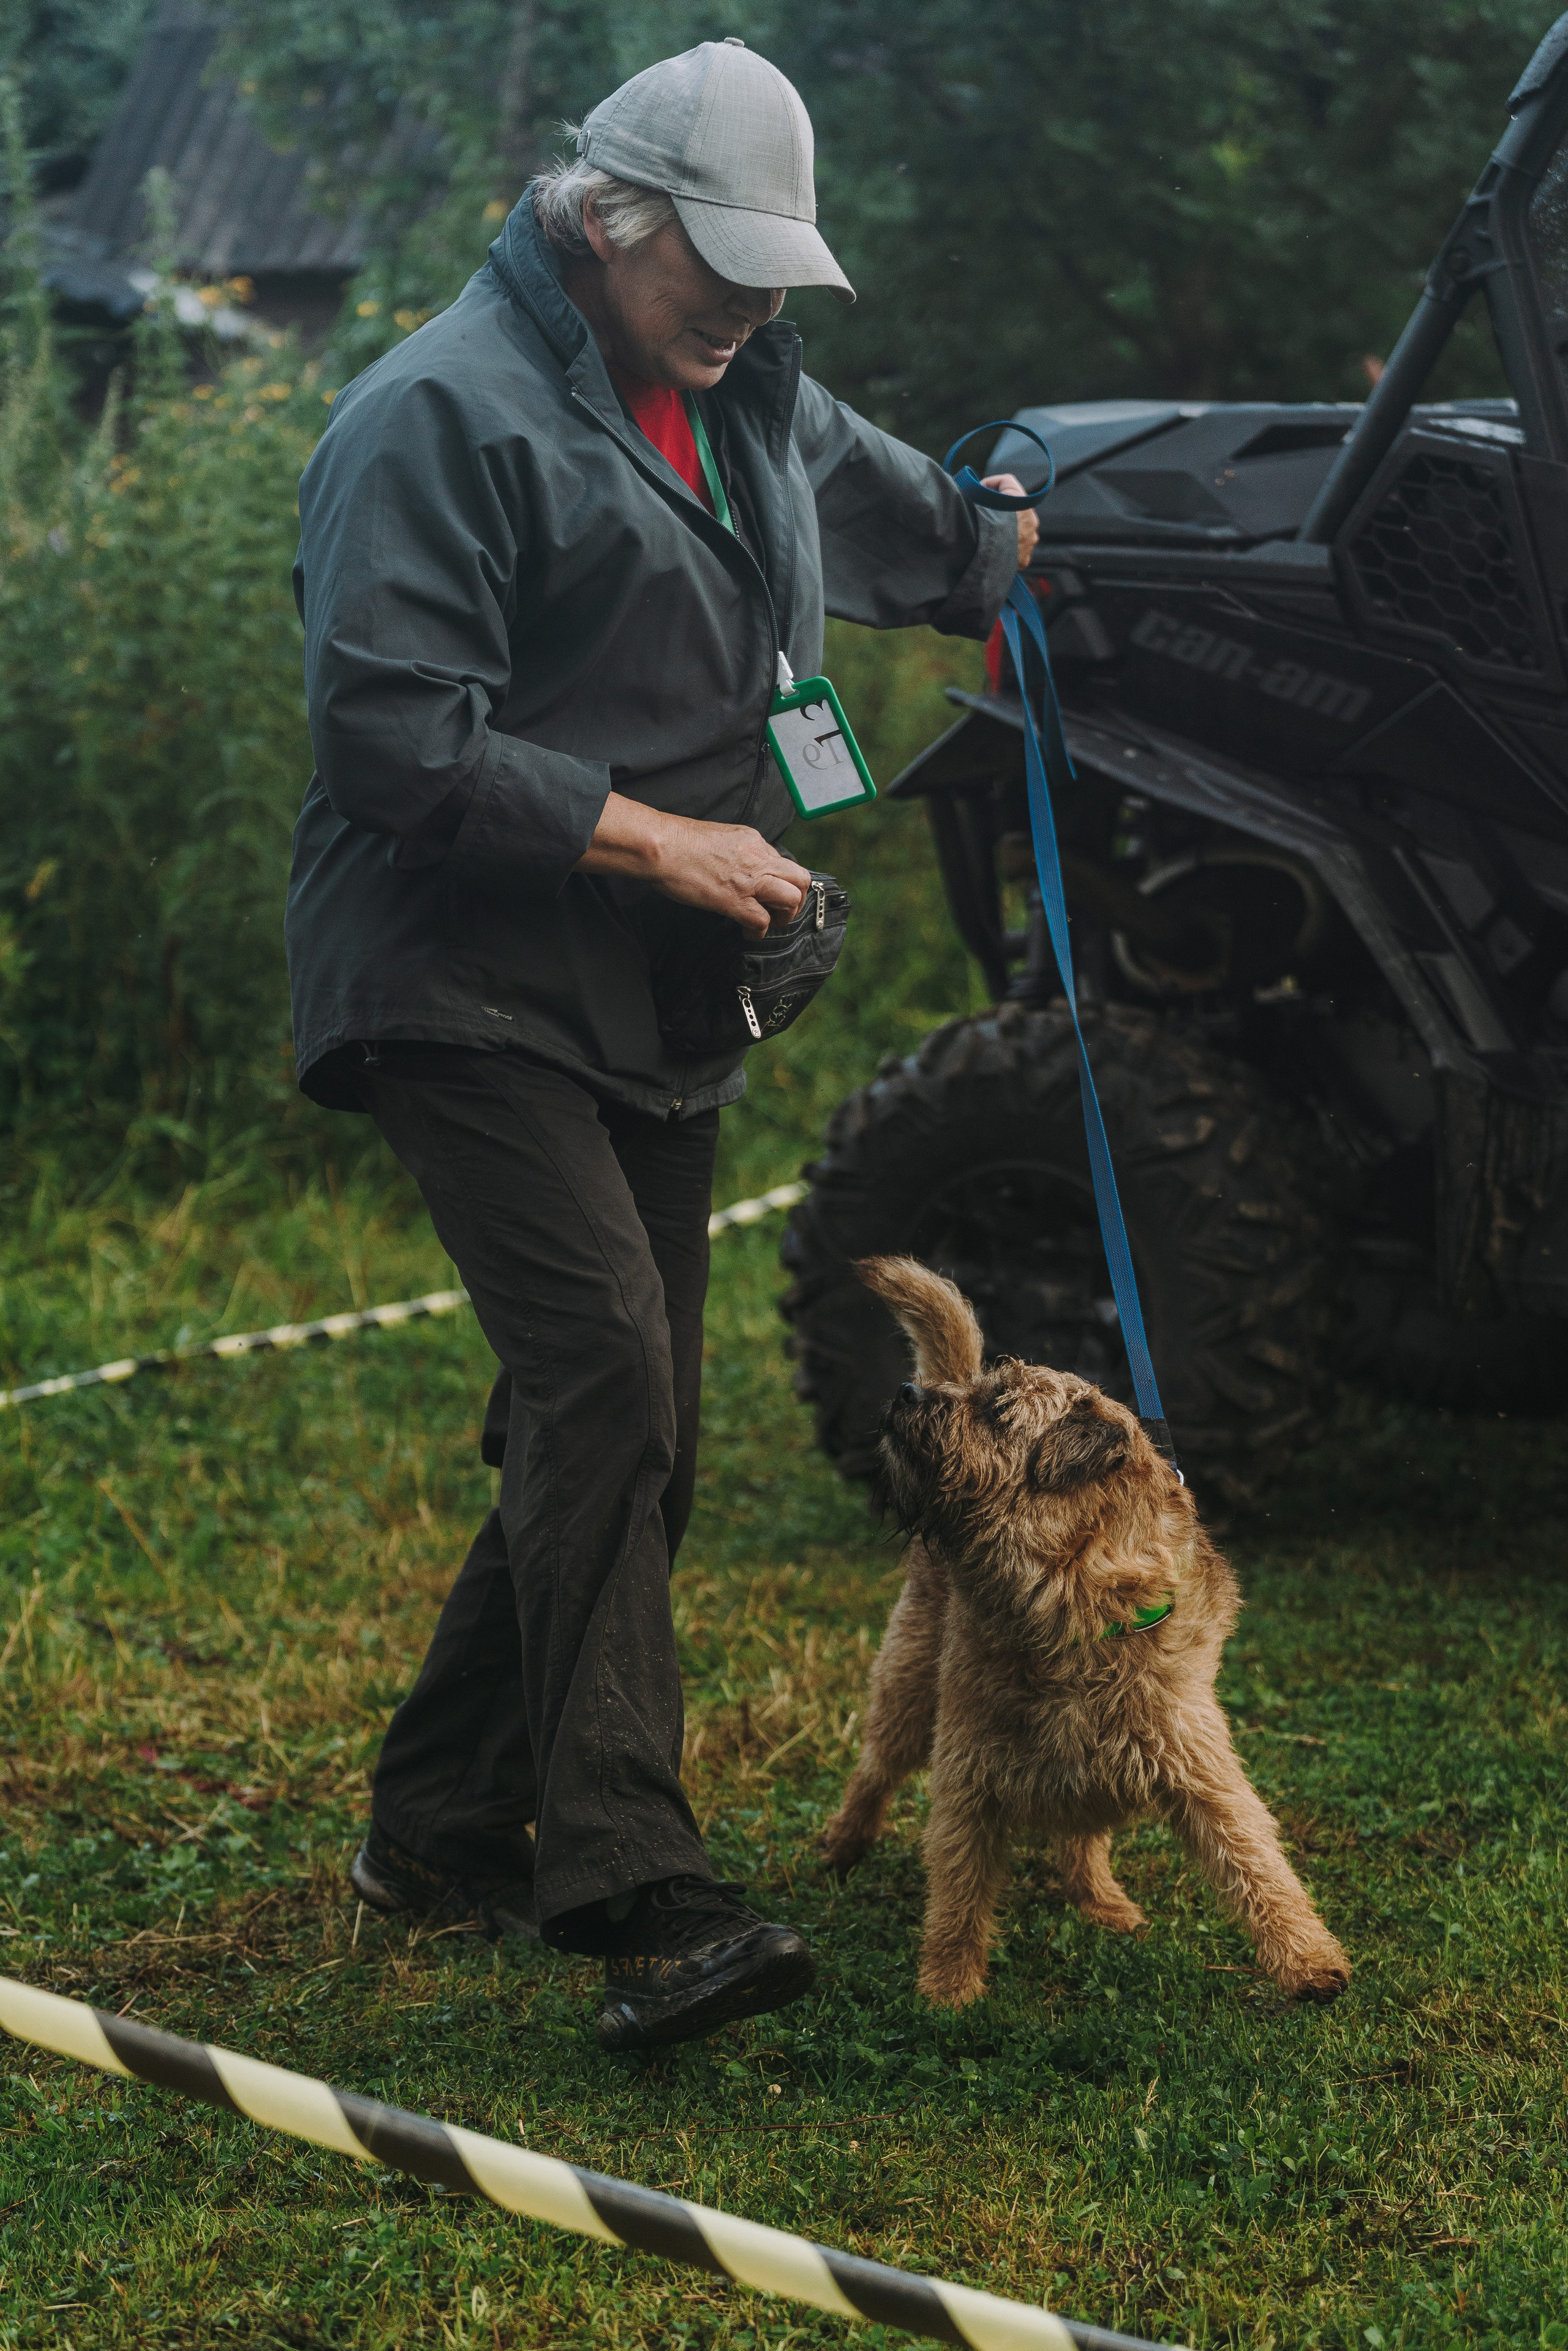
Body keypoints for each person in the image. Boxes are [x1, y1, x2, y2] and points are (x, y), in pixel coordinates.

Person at [285, 37, 1039, 2053]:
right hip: (457, 967)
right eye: (716, 261)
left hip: (650, 994)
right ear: (598, 218)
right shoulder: (436, 414)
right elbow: (387, 736)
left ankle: (435, 1825)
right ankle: (630, 1887)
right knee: (607, 1369)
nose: (751, 301)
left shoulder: (754, 392)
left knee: (622, 1417)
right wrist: (664, 836)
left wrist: (1030, 545)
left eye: (777, 267)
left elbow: (937, 537)